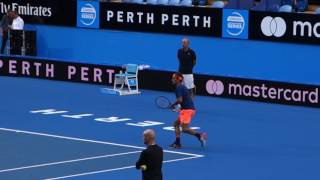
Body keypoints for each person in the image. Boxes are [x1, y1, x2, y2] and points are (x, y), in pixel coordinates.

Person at [170, 73, 207, 149]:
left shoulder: (179, 88)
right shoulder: (181, 87)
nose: (172, 79)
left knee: (184, 129)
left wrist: (173, 105)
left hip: (187, 110)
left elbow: (180, 100)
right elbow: (184, 100)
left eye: (174, 78)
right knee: (176, 124)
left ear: (179, 79)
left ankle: (199, 135)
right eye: (172, 78)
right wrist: (179, 108)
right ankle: (177, 143)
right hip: (187, 109)